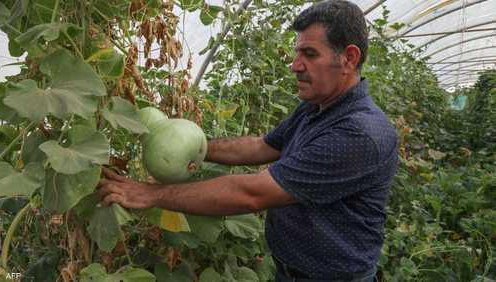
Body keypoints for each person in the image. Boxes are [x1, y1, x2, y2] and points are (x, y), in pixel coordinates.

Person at [97, 1, 398, 281]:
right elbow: (262, 146)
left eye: (309, 54)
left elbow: (251, 194)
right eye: (297, 53)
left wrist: (149, 194)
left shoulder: (358, 133)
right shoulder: (318, 107)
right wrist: (187, 144)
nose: (295, 65)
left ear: (349, 58)